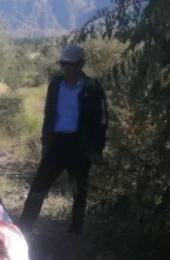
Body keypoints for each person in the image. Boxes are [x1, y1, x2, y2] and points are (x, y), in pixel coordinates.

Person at [19, 44, 108, 234]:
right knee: (38, 186)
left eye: (71, 64)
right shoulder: (55, 84)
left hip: (80, 144)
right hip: (57, 143)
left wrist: (97, 148)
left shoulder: (92, 87)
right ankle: (24, 227)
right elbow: (48, 114)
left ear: (81, 64)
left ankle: (76, 230)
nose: (67, 68)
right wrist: (45, 141)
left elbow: (102, 119)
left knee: (79, 189)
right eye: (64, 64)